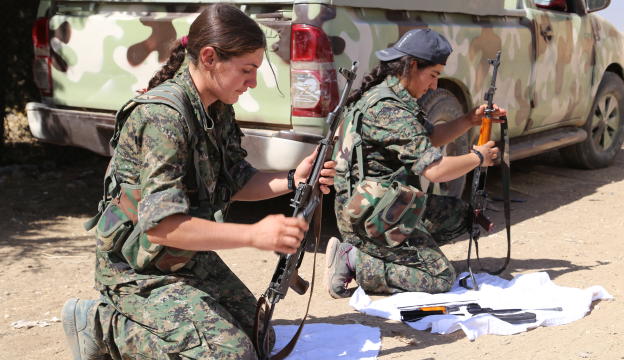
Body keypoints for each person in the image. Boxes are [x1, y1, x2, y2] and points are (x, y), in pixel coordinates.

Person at [61, 4, 336, 359]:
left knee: (259, 337)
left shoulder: (216, 107)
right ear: (209, 57)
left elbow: (236, 179)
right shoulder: (163, 118)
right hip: (138, 269)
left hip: (182, 258)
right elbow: (161, 228)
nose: (252, 82)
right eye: (246, 70)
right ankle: (102, 325)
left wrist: (293, 179)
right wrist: (253, 235)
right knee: (230, 354)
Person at [326, 28, 506, 299]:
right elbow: (435, 171)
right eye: (432, 75)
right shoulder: (389, 110)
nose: (434, 86)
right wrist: (479, 157)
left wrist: (470, 119)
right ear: (411, 66)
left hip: (384, 204)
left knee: (463, 216)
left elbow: (430, 138)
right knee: (440, 278)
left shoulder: (391, 96)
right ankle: (355, 260)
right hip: (369, 218)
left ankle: (400, 253)